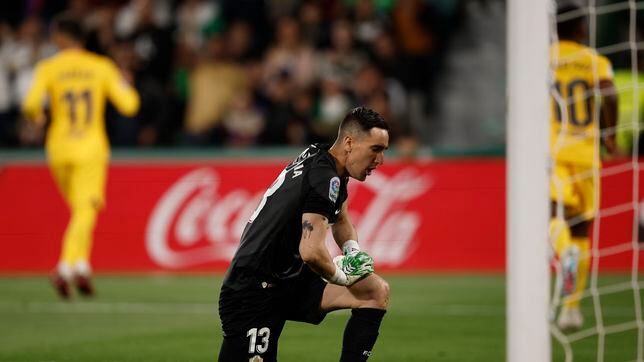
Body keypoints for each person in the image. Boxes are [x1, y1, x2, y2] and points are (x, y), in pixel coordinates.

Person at [218, 107, 390, 361]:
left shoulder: (326, 160)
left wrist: (352, 250)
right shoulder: (324, 177)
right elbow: (310, 252)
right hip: (252, 290)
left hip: (288, 281)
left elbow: (340, 215)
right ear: (350, 143)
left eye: (384, 150)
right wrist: (340, 277)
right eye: (376, 149)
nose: (381, 160)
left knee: (374, 292)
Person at [21, 15, 140, 298]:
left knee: (81, 209)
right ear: (82, 39)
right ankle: (65, 267)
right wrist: (126, 83)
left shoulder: (49, 68)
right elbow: (130, 106)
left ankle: (82, 265)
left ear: (60, 38)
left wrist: (37, 117)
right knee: (86, 209)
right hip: (90, 147)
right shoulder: (101, 67)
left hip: (58, 148)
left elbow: (29, 104)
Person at [549, 3, 618, 329]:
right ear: (581, 29)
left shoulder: (542, 58)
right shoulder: (594, 60)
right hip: (586, 152)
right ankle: (571, 310)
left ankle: (565, 254)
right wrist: (610, 135)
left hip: (553, 150)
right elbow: (611, 94)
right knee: (581, 229)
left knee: (552, 215)